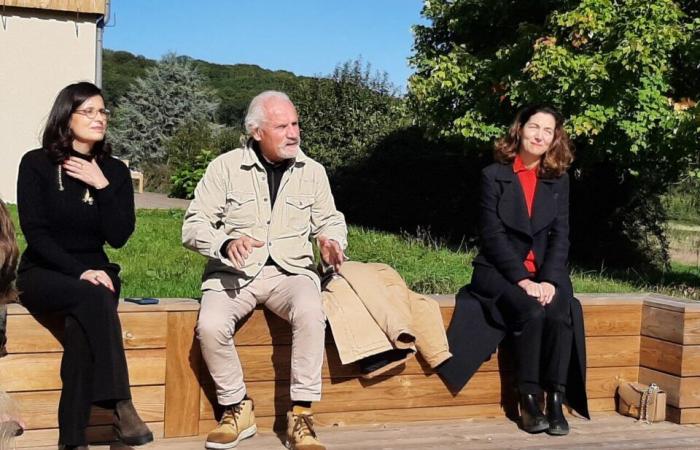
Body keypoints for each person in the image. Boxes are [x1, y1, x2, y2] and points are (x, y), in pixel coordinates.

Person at [183, 90, 347, 450]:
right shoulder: (224, 167)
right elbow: (193, 226)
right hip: (234, 273)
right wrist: (225, 244)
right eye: (282, 126)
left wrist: (331, 241)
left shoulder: (313, 171)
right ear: (256, 132)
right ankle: (237, 407)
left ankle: (301, 414)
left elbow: (330, 220)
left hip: (291, 273)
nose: (293, 133)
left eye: (295, 124)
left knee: (310, 311)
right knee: (209, 326)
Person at [15, 82, 152, 449]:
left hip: (97, 272)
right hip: (44, 271)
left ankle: (72, 442)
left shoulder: (115, 172)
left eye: (103, 111)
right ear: (66, 116)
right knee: (93, 294)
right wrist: (79, 272)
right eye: (88, 111)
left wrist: (102, 185)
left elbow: (119, 236)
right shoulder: (36, 164)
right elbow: (36, 234)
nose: (99, 118)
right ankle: (121, 404)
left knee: (81, 336)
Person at [439, 105, 588, 435]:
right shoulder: (493, 176)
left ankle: (556, 397)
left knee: (562, 311)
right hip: (499, 271)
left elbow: (561, 235)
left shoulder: (559, 181)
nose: (539, 135)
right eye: (534, 127)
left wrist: (549, 279)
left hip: (546, 271)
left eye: (547, 131)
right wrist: (522, 280)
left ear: (554, 139)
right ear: (520, 130)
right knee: (532, 313)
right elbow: (492, 236)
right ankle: (529, 398)